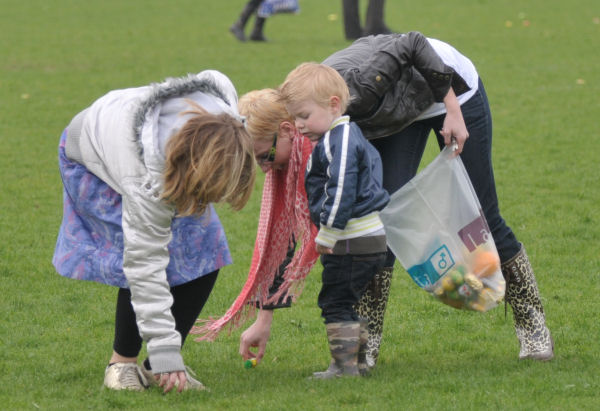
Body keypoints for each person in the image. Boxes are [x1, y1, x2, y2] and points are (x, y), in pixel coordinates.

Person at [237, 31, 553, 366]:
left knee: (485, 215)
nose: (265, 168)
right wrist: (264, 317)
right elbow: (283, 230)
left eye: (264, 156)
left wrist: (453, 108)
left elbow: (413, 44)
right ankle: (366, 341)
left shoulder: (354, 91)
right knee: (377, 219)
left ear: (287, 129)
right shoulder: (310, 123)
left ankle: (532, 323)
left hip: (449, 88)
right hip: (400, 108)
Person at [52, 70, 256, 393]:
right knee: (140, 256)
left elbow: (215, 77)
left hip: (166, 157)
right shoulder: (141, 177)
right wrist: (165, 349)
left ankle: (155, 368)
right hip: (91, 158)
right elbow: (144, 264)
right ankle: (122, 364)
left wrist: (164, 357)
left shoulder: (224, 118)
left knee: (206, 247)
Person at [279, 62, 389, 377]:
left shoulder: (336, 140)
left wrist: (328, 232)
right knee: (349, 300)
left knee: (335, 301)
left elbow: (341, 187)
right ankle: (358, 364)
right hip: (369, 237)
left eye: (303, 116)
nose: (298, 125)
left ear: (334, 105)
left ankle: (344, 368)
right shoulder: (352, 135)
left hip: (350, 239)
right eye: (294, 118)